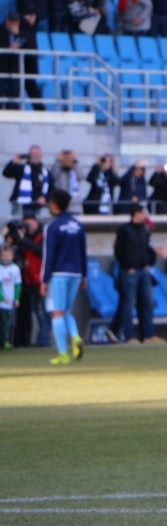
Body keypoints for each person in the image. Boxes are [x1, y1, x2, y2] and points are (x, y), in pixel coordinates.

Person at [41, 189, 87, 365]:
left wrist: (44, 280)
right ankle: (75, 338)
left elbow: (49, 255)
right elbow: (83, 252)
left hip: (58, 274)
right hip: (76, 273)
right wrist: (84, 274)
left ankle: (63, 353)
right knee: (65, 310)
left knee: (57, 311)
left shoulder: (52, 226)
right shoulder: (78, 225)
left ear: (54, 204)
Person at [114, 205, 163, 344]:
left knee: (148, 302)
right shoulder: (124, 230)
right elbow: (119, 251)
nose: (145, 216)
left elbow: (148, 248)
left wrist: (149, 262)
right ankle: (129, 335)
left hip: (144, 271)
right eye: (142, 213)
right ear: (136, 214)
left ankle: (149, 334)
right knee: (129, 303)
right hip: (130, 272)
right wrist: (127, 266)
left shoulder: (143, 230)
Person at [11, 215, 50, 347]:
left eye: (31, 224)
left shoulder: (44, 235)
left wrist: (24, 239)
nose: (29, 227)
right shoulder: (26, 238)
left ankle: (44, 340)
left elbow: (41, 251)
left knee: (44, 312)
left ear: (36, 222)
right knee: (36, 312)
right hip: (30, 281)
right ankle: (40, 339)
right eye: (26, 225)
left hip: (42, 281)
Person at [4, 146, 49, 217]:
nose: (34, 156)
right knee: (18, 224)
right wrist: (14, 161)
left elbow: (51, 187)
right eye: (32, 154)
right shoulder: (21, 168)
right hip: (20, 205)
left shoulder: (45, 172)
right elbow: (6, 174)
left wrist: (44, 198)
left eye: (36, 154)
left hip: (36, 206)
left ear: (41, 156)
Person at [0, 244, 22, 350]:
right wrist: (1, 297)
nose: (5, 258)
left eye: (8, 255)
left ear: (12, 256)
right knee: (2, 322)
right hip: (2, 301)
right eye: (3, 255)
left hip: (9, 301)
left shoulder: (15, 269)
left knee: (8, 323)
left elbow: (18, 285)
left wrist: (17, 298)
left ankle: (5, 341)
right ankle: (3, 341)